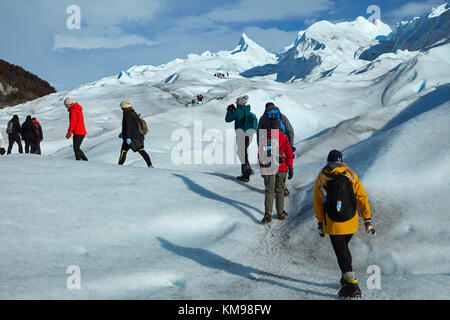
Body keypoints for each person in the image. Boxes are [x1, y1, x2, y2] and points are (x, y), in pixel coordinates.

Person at [313, 150, 376, 299]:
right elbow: (361, 196)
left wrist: (320, 223)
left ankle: (352, 285)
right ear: (341, 161)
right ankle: (345, 277)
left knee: (342, 254)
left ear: (328, 162)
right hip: (350, 221)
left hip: (333, 223)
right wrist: (367, 219)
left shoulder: (323, 176)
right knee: (344, 251)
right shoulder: (350, 174)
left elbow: (318, 202)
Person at [258, 118, 293, 224]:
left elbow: (260, 155)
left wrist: (262, 168)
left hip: (268, 168)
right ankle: (280, 212)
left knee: (269, 191)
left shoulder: (264, 138)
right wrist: (290, 167)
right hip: (281, 168)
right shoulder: (283, 137)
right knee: (280, 190)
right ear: (278, 126)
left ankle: (268, 215)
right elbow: (289, 153)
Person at [258, 102, 295, 196]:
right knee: (282, 166)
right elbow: (290, 131)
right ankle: (284, 188)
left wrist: (261, 147)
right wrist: (290, 145)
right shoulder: (282, 116)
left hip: (268, 145)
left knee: (270, 166)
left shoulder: (263, 118)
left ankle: (271, 187)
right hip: (282, 143)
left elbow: (259, 133)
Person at [225, 95, 258, 182]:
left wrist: (229, 110)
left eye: (237, 102)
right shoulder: (247, 111)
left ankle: (246, 174)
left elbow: (228, 119)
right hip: (249, 135)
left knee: (242, 154)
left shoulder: (238, 111)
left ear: (239, 103)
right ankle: (248, 170)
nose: (236, 104)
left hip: (241, 136)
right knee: (243, 153)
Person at [118, 100, 153, 168]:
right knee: (125, 151)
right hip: (137, 136)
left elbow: (128, 126)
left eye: (122, 107)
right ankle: (150, 165)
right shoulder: (133, 113)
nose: (121, 109)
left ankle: (150, 165)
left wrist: (127, 137)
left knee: (139, 150)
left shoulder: (127, 114)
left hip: (132, 137)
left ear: (124, 107)